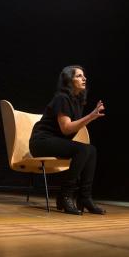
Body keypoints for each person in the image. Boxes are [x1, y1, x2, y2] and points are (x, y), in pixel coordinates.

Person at [29, 65, 106, 215]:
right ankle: (65, 195)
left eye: (83, 76)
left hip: (53, 141)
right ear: (68, 81)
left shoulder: (76, 101)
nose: (84, 78)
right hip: (41, 142)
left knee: (91, 150)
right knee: (83, 149)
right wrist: (91, 116)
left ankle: (84, 197)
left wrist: (90, 116)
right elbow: (66, 128)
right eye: (78, 76)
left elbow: (68, 131)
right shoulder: (62, 98)